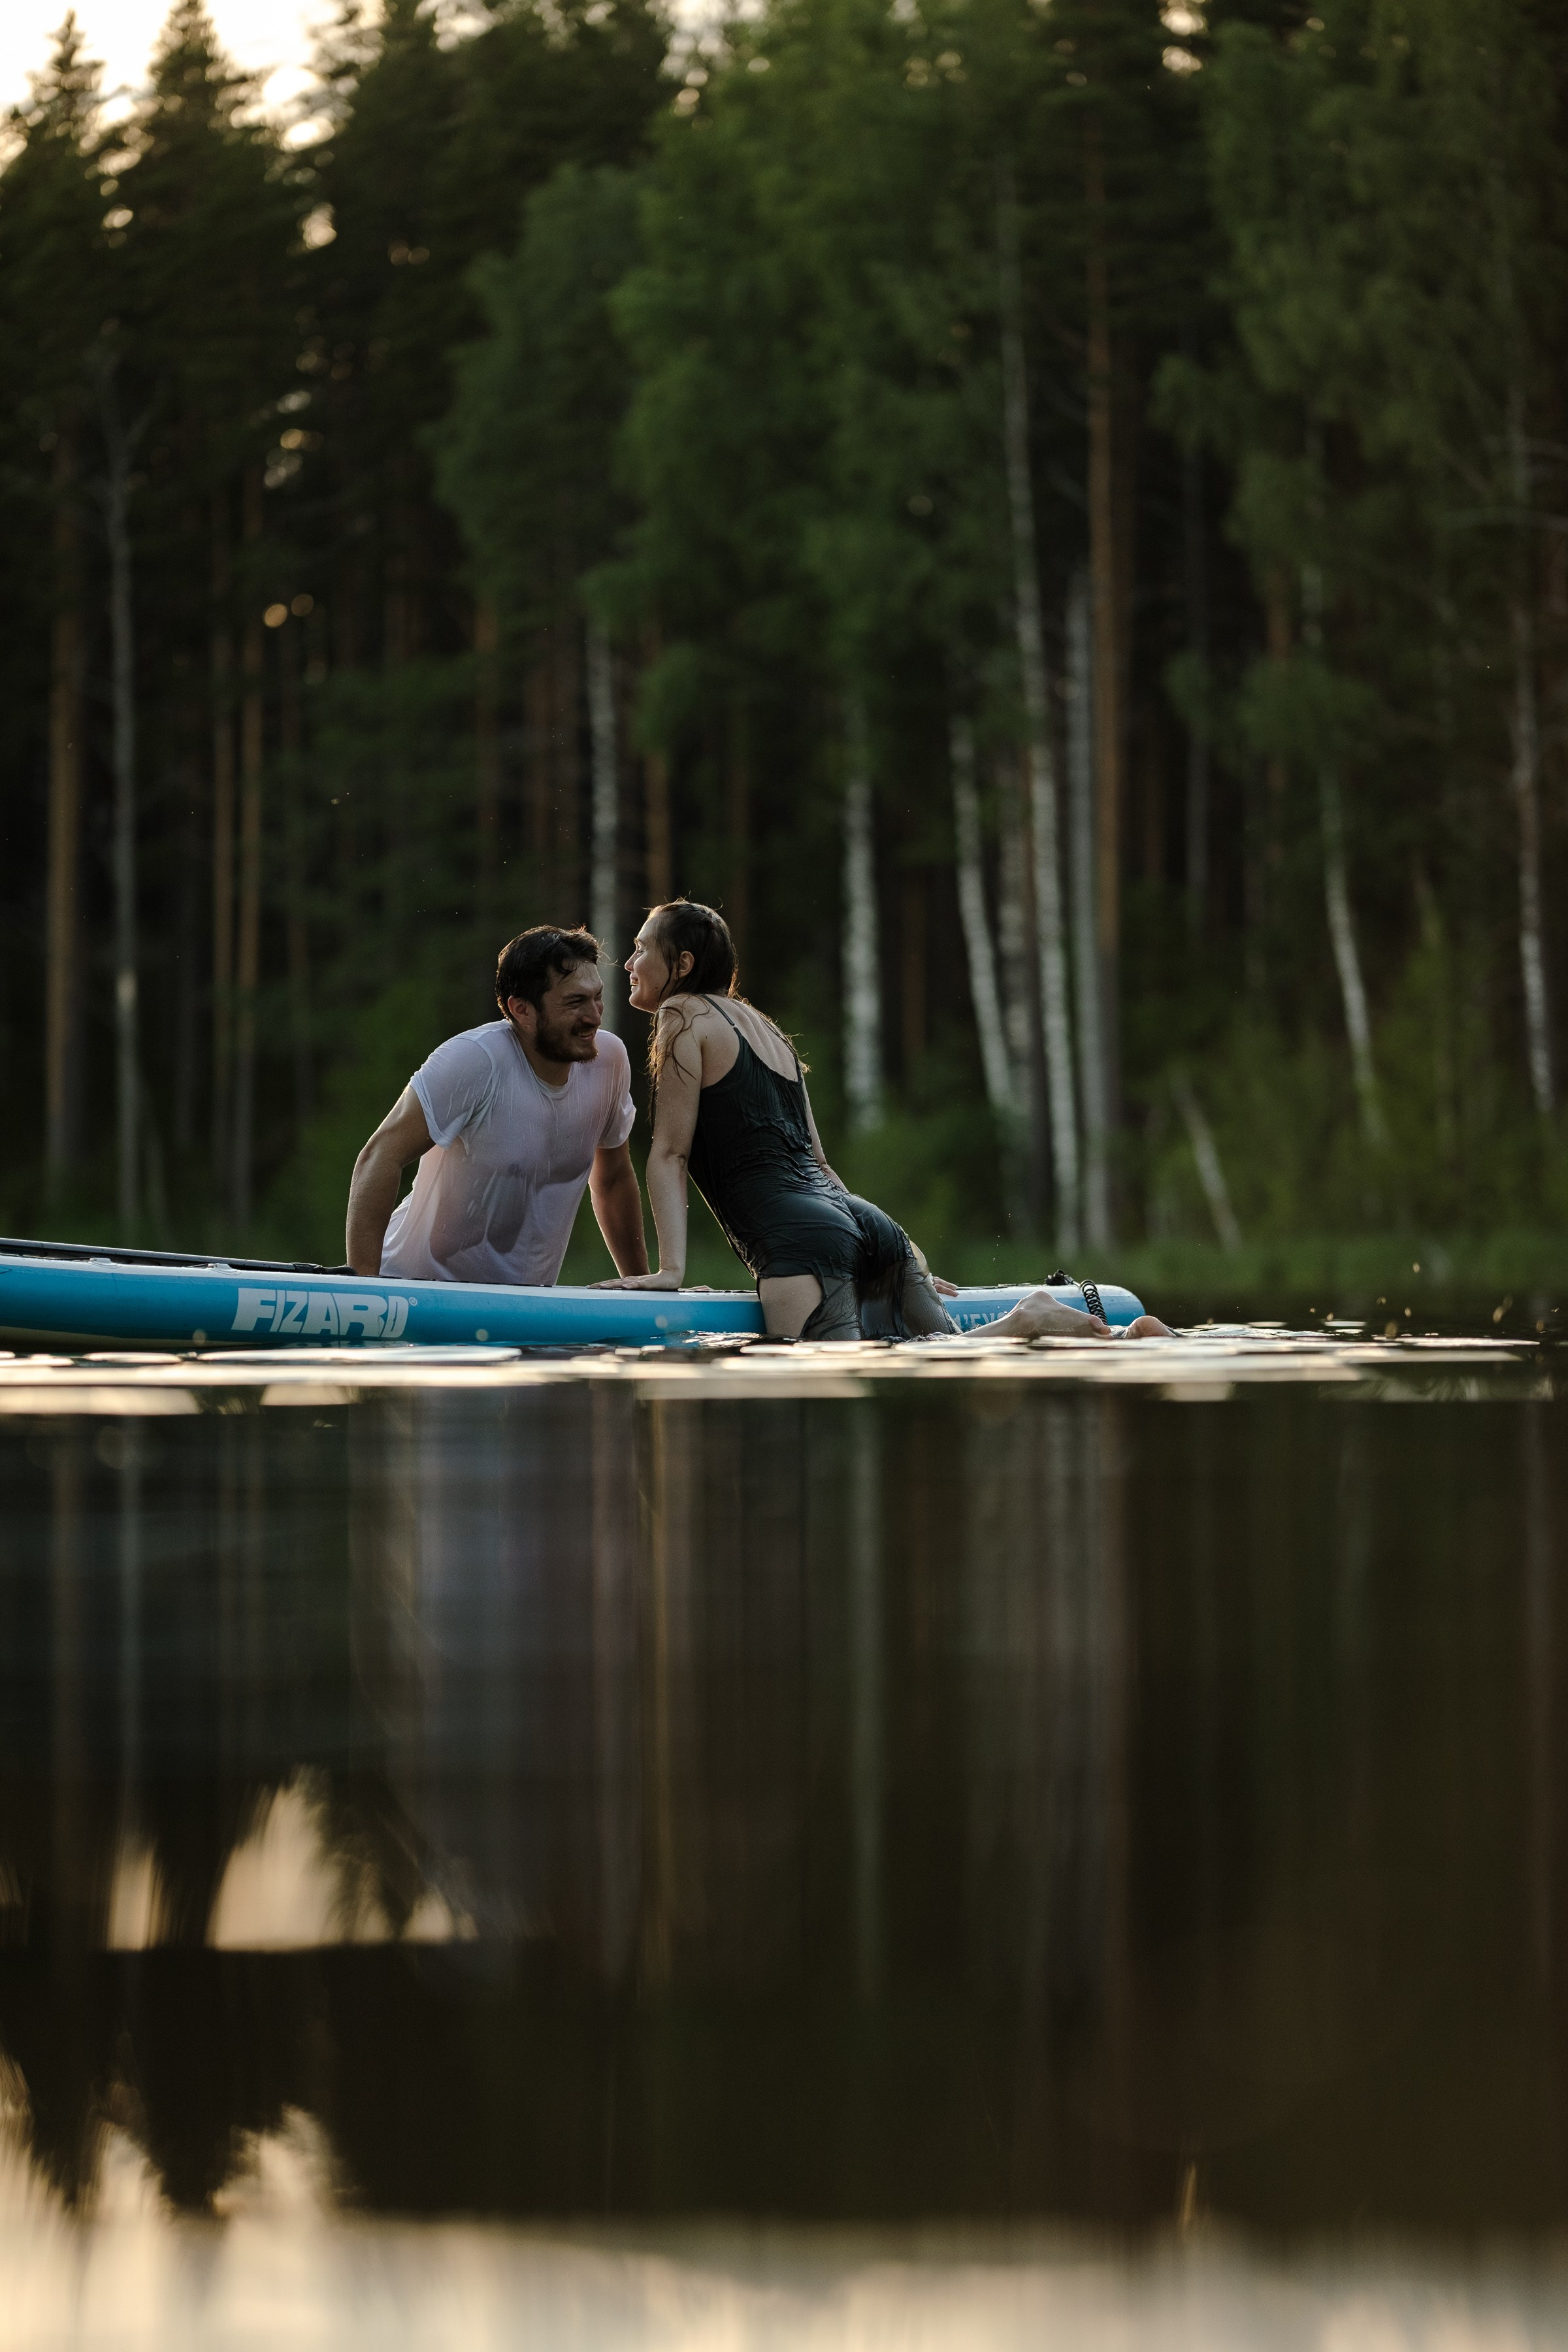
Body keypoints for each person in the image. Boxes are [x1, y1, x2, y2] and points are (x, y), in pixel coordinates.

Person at [595, 899, 1169, 1341]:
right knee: (939, 1353)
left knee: (831, 1370)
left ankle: (1026, 1319)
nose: (629, 961)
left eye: (643, 948)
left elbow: (669, 1153)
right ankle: (1120, 1337)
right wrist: (904, 1255)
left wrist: (671, 1270)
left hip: (795, 1238)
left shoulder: (681, 1015)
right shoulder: (771, 1034)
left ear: (684, 964)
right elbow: (818, 1164)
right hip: (861, 1221)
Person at [346, 926, 649, 1285]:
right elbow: (380, 1155)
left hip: (521, 1307)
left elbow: (613, 1180)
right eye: (575, 1002)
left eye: (597, 997)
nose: (595, 1016)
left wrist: (641, 1286)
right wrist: (364, 1288)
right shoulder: (474, 1060)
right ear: (521, 1009)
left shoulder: (610, 1060)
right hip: (417, 1293)